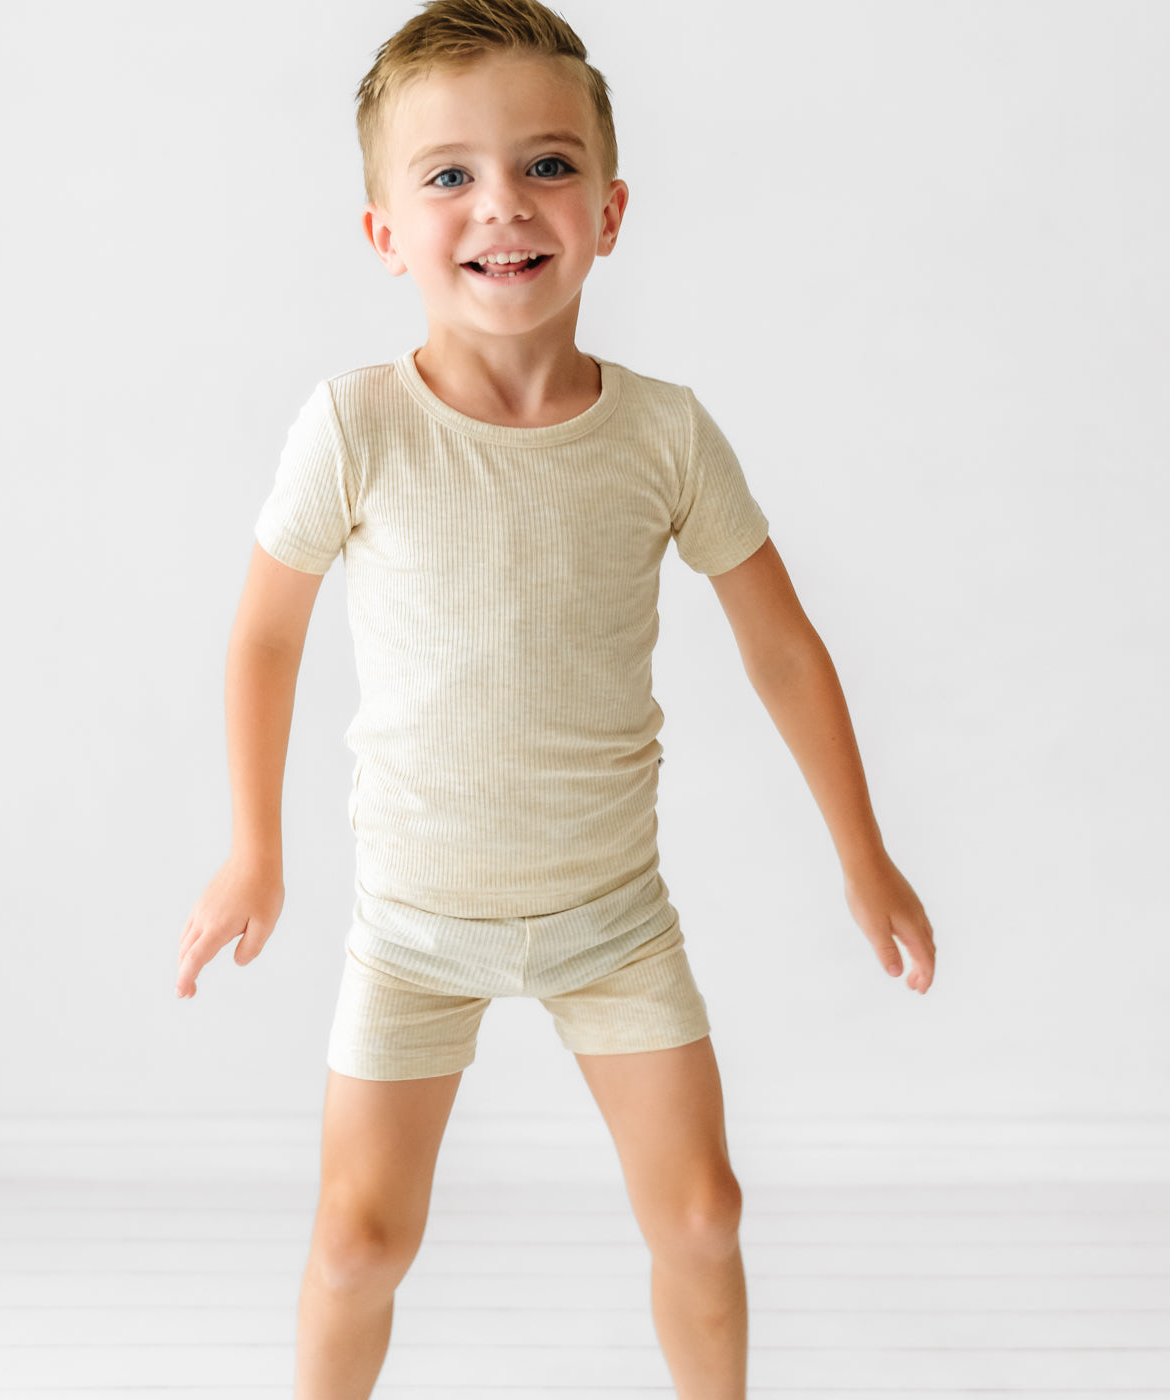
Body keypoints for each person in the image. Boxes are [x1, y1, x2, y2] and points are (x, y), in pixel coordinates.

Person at [175, 0, 936, 1394]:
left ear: (609, 210)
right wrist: (252, 852)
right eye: (448, 174)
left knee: (703, 1216)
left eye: (546, 164)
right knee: (357, 1243)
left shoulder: (663, 433)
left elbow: (781, 646)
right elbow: (264, 640)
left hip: (612, 922)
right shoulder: (356, 427)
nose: (503, 205)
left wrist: (863, 851)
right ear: (385, 232)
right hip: (414, 929)